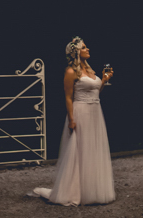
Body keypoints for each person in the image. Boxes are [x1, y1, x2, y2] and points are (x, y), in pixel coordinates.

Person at [33, 37, 115, 206]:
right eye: (84, 47)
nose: (88, 49)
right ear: (76, 52)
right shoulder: (71, 72)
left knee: (93, 148)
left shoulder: (91, 71)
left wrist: (104, 82)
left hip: (95, 112)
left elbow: (94, 94)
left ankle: (93, 189)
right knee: (80, 149)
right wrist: (71, 119)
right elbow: (68, 97)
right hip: (81, 112)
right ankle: (75, 191)